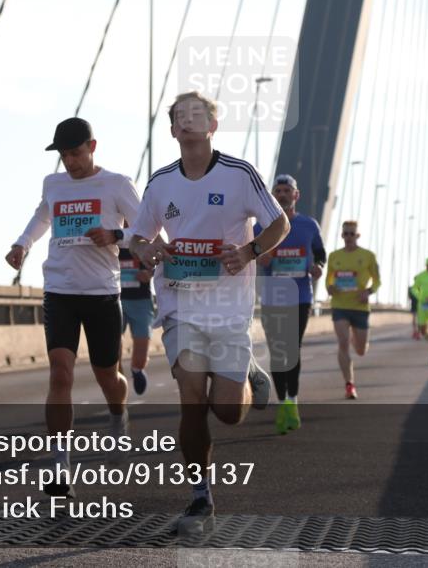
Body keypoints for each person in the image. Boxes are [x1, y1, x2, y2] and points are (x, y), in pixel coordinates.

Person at [129, 91, 289, 536]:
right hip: (181, 306)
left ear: (212, 126)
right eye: (179, 116)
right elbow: (138, 240)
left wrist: (250, 249)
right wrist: (149, 249)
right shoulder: (160, 183)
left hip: (229, 308)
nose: (187, 121)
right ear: (173, 128)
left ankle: (251, 370)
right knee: (192, 398)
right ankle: (201, 496)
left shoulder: (240, 175)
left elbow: (280, 223)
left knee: (228, 412)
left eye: (196, 115)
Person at [5, 117, 139, 498]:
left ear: (92, 147)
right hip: (60, 291)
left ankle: (118, 413)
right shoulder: (54, 183)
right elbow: (42, 215)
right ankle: (60, 466)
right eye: (64, 156)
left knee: (107, 379)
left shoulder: (116, 184)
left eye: (76, 153)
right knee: (60, 375)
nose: (70, 162)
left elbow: (149, 229)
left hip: (101, 294)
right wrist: (22, 244)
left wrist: (115, 235)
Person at [254, 174, 326, 434]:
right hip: (272, 298)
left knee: (291, 349)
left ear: (296, 195)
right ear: (273, 195)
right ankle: (283, 398)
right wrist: (259, 258)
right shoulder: (261, 226)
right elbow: (251, 252)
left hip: (300, 297)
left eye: (287, 190)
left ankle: (291, 402)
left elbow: (320, 253)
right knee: (277, 351)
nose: (282, 194)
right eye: (278, 190)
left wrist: (318, 266)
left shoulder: (309, 225)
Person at [326, 221, 381, 399]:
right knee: (342, 343)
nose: (348, 237)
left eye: (352, 234)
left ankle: (355, 339)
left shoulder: (368, 256)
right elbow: (329, 279)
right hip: (340, 306)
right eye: (346, 234)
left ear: (357, 236)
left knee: (361, 350)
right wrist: (330, 287)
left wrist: (369, 291)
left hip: (360, 307)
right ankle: (349, 384)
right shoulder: (334, 256)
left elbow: (377, 281)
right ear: (342, 236)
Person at [119, 244, 155, 394]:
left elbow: (161, 262)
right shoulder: (109, 234)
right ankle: (118, 384)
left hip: (140, 301)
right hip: (114, 299)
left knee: (141, 354)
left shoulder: (143, 236)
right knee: (113, 348)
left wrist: (149, 273)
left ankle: (137, 369)